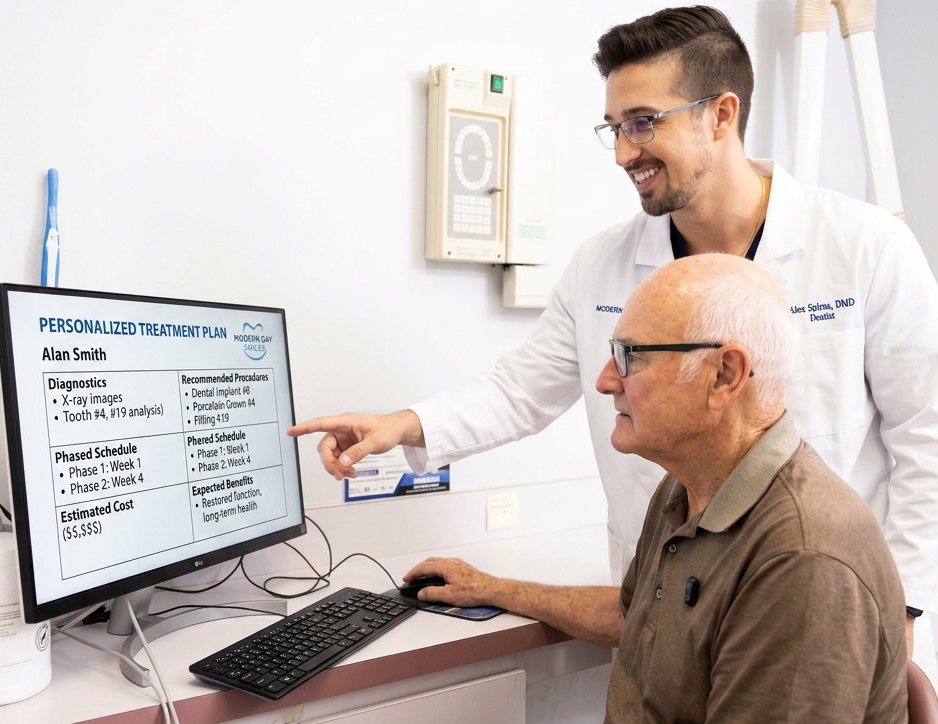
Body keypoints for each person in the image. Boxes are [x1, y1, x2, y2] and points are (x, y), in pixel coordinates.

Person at [288, 6, 938, 654]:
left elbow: (928, 437)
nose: (625, 152)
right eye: (616, 127)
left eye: (644, 123)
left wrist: (901, 604)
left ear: (721, 114)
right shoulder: (602, 264)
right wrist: (400, 425)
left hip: (823, 612)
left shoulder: (866, 247)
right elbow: (522, 390)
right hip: (664, 612)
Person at [403, 254, 909, 723]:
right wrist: (493, 590)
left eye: (631, 357)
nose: (604, 381)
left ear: (723, 375)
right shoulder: (686, 488)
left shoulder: (802, 559)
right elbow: (635, 616)